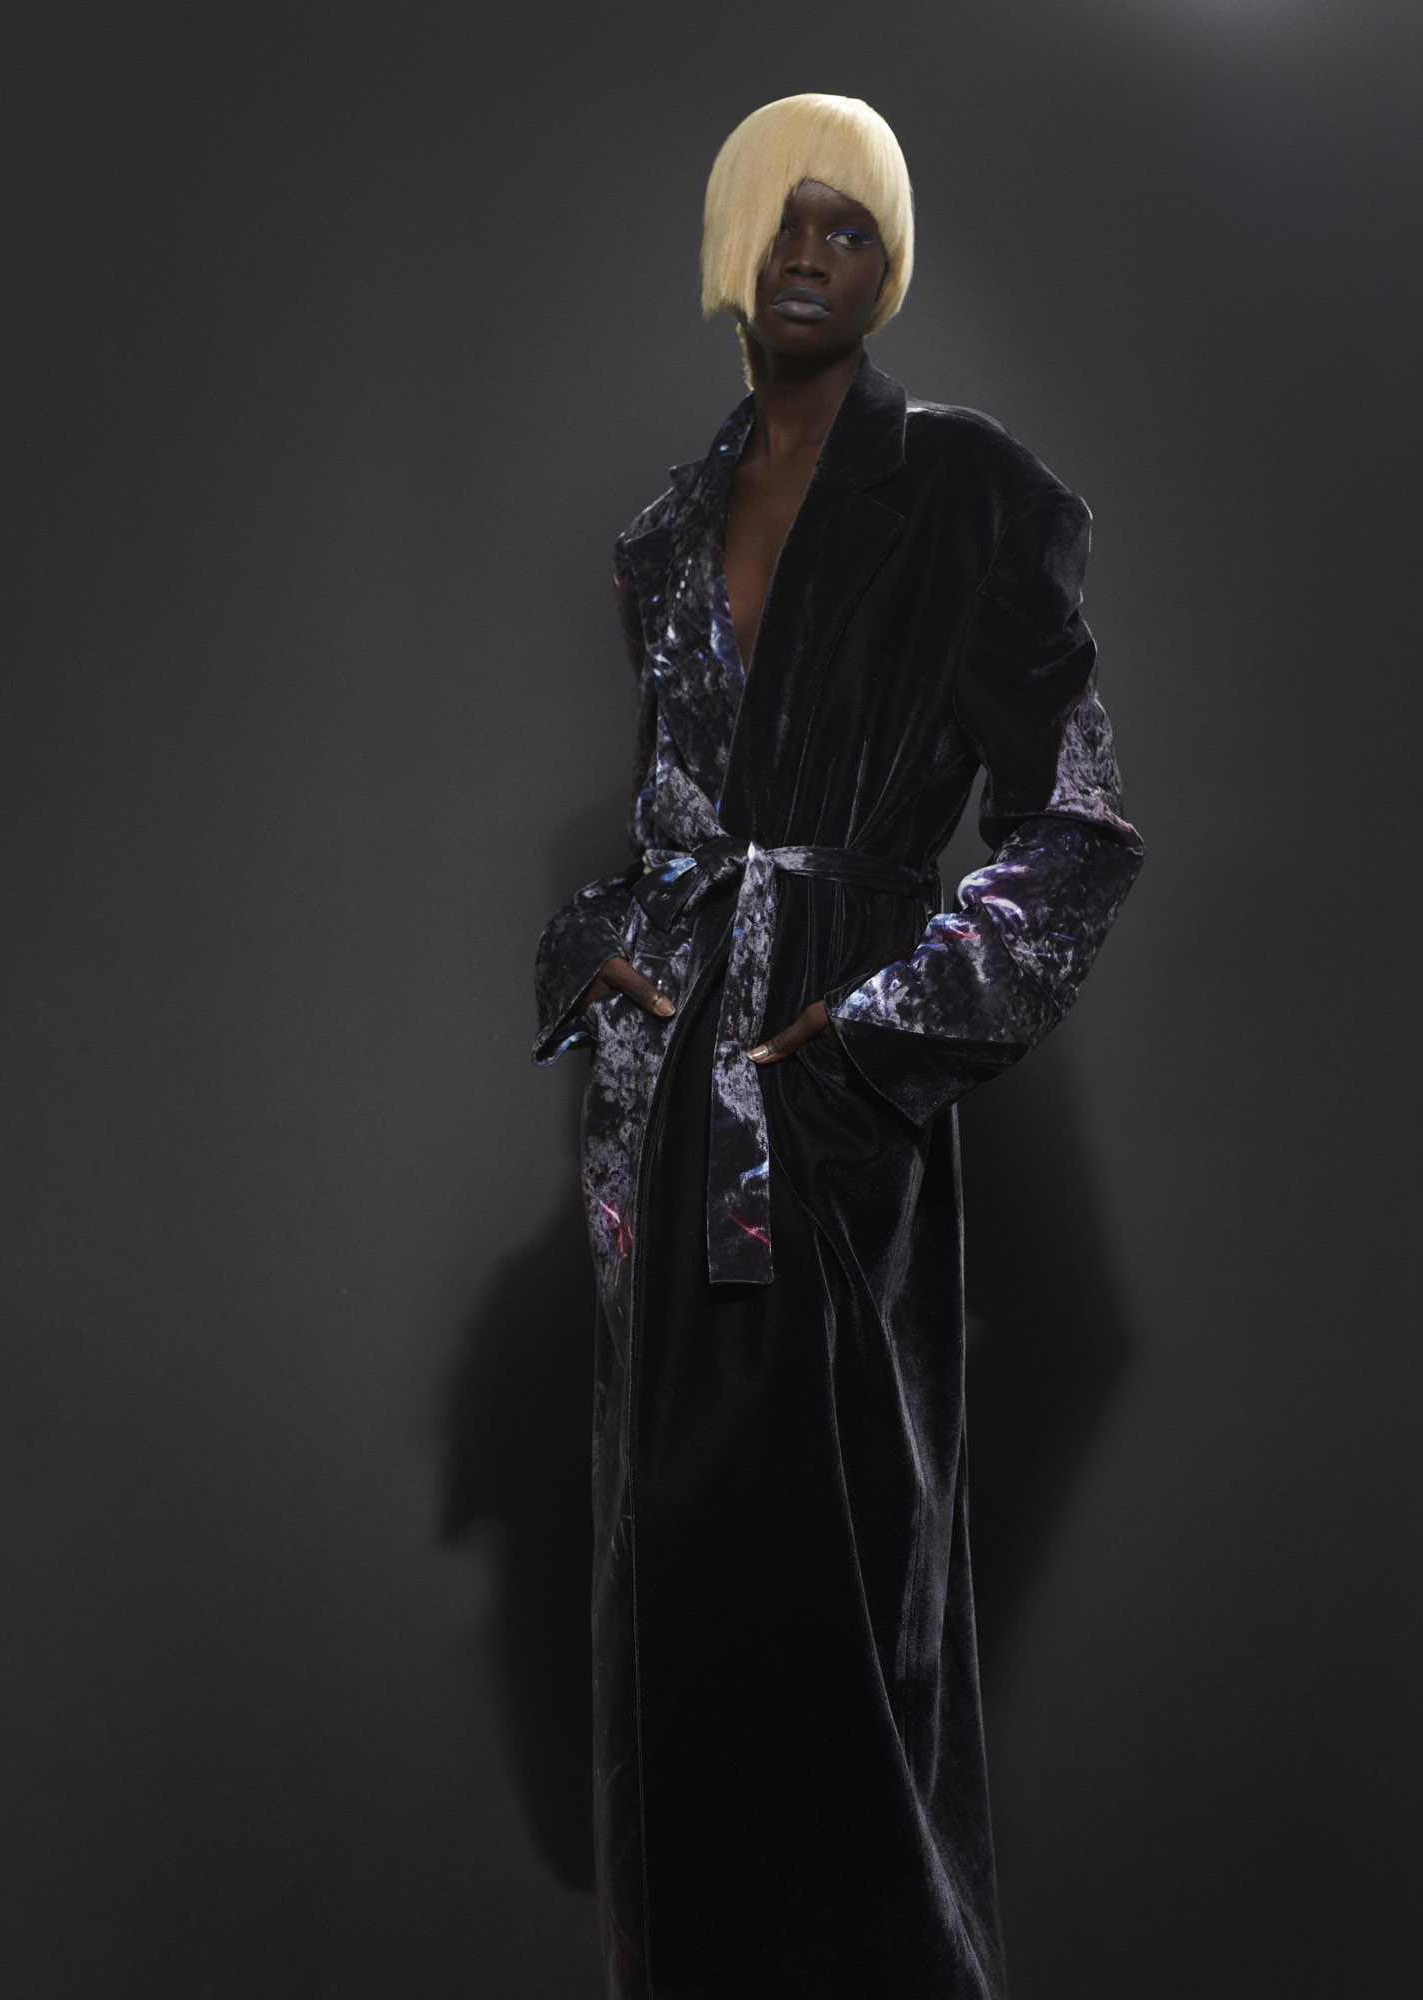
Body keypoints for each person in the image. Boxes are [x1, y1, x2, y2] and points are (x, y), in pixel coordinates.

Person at [533, 91, 1143, 2000]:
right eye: (787, 219)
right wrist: (604, 954)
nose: (815, 253)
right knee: (671, 1623)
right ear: (734, 242)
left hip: (830, 1093)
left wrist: (887, 1025)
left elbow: (1076, 825)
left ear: (890, 268)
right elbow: (671, 833)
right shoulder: (661, 537)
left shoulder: (970, 493)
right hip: (662, 1123)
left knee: (845, 1613)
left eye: (853, 227)